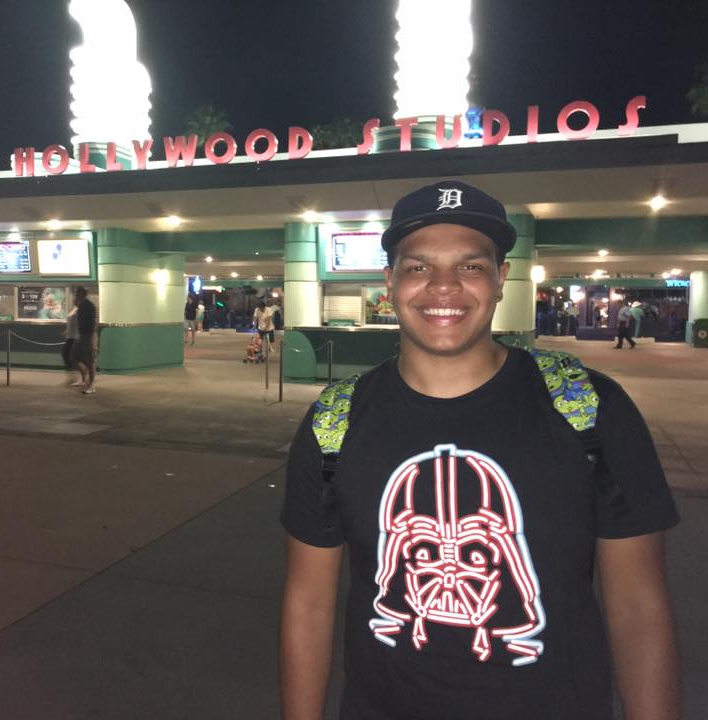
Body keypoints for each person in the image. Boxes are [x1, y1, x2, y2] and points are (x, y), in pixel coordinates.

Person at [279, 180, 679, 720]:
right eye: (419, 267)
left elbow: (639, 607)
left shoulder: (589, 408)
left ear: (499, 279)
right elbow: (309, 604)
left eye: (470, 266)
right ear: (390, 281)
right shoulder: (336, 420)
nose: (443, 287)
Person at [69, 287, 97, 394]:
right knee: (74, 357)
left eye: (77, 294)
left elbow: (94, 323)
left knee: (91, 361)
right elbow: (76, 306)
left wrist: (93, 339)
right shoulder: (81, 305)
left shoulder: (89, 306)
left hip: (88, 336)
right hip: (81, 335)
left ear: (81, 294)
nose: (75, 295)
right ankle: (84, 379)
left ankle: (92, 385)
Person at [61, 299, 83, 386]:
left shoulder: (80, 311)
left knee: (72, 357)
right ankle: (72, 377)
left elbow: (79, 324)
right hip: (70, 337)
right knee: (66, 356)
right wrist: (67, 331)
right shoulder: (73, 310)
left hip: (75, 338)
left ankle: (76, 377)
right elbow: (71, 323)